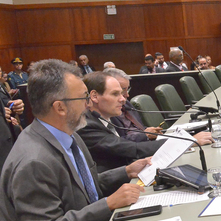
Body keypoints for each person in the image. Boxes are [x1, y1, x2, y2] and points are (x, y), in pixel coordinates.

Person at [0, 59, 148, 221]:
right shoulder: (34, 161)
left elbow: (82, 186)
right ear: (60, 107)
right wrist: (108, 204)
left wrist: (126, 171)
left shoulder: (68, 134)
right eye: (83, 98)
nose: (89, 104)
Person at [78, 72, 213, 172]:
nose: (123, 99)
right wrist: (187, 142)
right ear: (94, 96)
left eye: (122, 93)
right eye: (115, 94)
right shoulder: (87, 125)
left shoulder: (107, 116)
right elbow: (133, 149)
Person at [105, 68, 163, 142]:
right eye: (123, 91)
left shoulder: (127, 103)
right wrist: (145, 135)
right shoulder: (107, 111)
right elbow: (117, 142)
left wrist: (151, 131)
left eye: (128, 89)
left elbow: (139, 128)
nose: (127, 95)